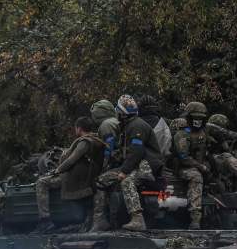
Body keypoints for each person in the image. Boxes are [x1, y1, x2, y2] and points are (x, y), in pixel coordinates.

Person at [93, 94, 164, 232]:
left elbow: (136, 152)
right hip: (135, 164)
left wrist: (123, 172)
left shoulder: (137, 125)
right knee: (100, 181)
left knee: (127, 181)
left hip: (146, 166)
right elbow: (126, 151)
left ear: (122, 113)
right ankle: (100, 220)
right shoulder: (128, 126)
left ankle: (137, 219)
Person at [35, 116, 105, 232]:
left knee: (41, 182)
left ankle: (45, 220)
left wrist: (57, 170)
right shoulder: (96, 139)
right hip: (87, 176)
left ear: (79, 128)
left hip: (76, 178)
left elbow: (72, 159)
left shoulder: (85, 142)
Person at [172, 101, 214, 229]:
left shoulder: (204, 132)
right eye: (195, 118)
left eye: (200, 118)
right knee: (196, 177)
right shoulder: (182, 134)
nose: (198, 121)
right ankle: (195, 217)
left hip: (202, 165)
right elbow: (184, 158)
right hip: (185, 168)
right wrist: (201, 167)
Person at [90, 99, 120, 169]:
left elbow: (109, 145)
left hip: (117, 162)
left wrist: (105, 165)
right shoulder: (115, 120)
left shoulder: (106, 124)